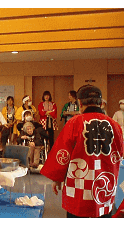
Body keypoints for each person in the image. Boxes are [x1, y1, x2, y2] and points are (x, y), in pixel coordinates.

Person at [41, 84, 123, 218]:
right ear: (101, 103)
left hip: (78, 188)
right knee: (103, 214)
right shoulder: (114, 125)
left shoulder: (74, 123)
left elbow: (63, 154)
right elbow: (120, 153)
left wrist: (57, 178)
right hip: (104, 186)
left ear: (79, 103)